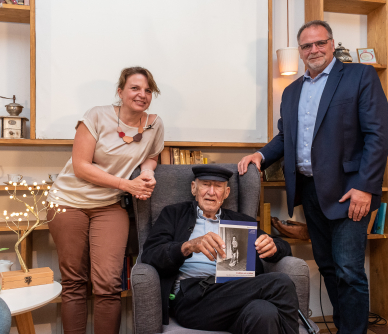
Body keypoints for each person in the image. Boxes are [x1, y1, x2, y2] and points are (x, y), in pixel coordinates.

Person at [238, 20, 388, 334]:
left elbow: (378, 135)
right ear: (301, 51)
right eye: (307, 46)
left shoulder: (360, 76)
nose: (314, 50)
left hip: (350, 191)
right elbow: (285, 137)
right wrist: (261, 156)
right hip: (310, 190)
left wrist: (365, 186)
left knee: (349, 271)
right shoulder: (292, 91)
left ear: (332, 44)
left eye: (320, 43)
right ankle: (344, 327)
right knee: (329, 267)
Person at [47, 66, 164, 334]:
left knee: (109, 284)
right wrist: (127, 184)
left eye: (147, 90)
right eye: (135, 88)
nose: (142, 94)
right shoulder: (96, 115)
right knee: (74, 282)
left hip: (109, 206)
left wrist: (146, 172)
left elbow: (152, 155)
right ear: (120, 92)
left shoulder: (154, 124)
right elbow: (81, 166)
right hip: (68, 202)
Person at [142, 165, 299, 334]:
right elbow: (150, 255)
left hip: (236, 296)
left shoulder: (241, 221)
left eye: (218, 186)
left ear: (226, 193)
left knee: (264, 312)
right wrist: (187, 247)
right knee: (281, 283)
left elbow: (283, 247)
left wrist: (274, 246)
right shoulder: (173, 214)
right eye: (205, 184)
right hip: (193, 299)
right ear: (193, 188)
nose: (211, 192)